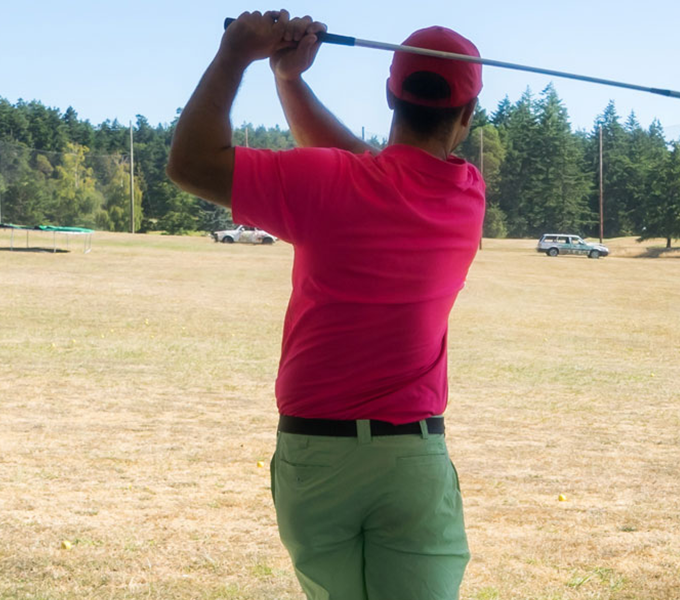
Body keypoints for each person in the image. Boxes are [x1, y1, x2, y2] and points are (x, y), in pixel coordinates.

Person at [166, 10, 485, 600]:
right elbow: (374, 168)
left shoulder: (332, 184)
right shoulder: (465, 195)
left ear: (391, 94)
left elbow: (190, 164)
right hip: (410, 457)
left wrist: (239, 55)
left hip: (314, 453)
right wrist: (290, 82)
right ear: (465, 117)